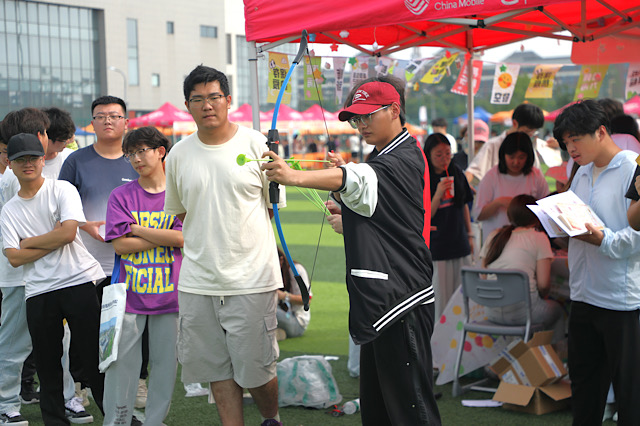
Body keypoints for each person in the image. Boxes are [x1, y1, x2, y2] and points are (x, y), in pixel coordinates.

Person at [261, 77, 441, 425]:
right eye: (356, 118)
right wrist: (352, 220)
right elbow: (389, 214)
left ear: (394, 110)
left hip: (402, 298)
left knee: (411, 411)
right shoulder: (385, 153)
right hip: (384, 298)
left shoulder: (401, 157)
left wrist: (292, 176)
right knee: (378, 408)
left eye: (368, 116)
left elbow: (357, 178)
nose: (361, 125)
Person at [164, 65, 284, 426]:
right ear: (187, 105)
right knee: (215, 370)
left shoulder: (257, 144)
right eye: (198, 99)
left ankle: (271, 418)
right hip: (198, 281)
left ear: (228, 100)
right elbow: (181, 212)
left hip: (251, 279)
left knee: (257, 370)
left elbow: (270, 207)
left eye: (214, 97)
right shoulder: (178, 155)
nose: (207, 105)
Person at [0, 133, 106, 426]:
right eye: (20, 159)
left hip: (78, 280)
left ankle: (115, 417)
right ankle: (55, 421)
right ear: (10, 163)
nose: (28, 164)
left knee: (94, 359)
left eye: (33, 158)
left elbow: (69, 233)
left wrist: (28, 242)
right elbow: (14, 258)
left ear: (43, 159)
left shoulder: (62, 189)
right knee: (47, 367)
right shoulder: (9, 210)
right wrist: (53, 236)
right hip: (38, 290)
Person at [553, 99, 640, 424]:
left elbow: (637, 235)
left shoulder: (631, 169)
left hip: (621, 300)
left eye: (576, 139)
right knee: (585, 389)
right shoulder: (582, 173)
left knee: (630, 393)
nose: (571, 149)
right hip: (583, 294)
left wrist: (603, 240)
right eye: (566, 143)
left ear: (601, 132)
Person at [58, 96, 142, 412]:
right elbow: (61, 207)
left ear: (126, 122)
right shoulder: (76, 161)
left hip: (132, 260)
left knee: (132, 328)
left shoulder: (137, 160)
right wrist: (84, 224)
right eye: (101, 116)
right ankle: (82, 386)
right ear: (91, 123)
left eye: (114, 116)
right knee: (86, 330)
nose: (108, 121)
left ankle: (137, 380)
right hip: (85, 263)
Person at [103, 127, 182, 426]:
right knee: (120, 367)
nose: (136, 159)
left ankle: (154, 421)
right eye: (130, 154)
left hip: (170, 296)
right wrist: (165, 235)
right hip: (128, 296)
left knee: (165, 368)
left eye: (141, 151)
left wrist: (136, 229)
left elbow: (184, 239)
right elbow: (121, 246)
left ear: (160, 152)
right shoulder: (121, 196)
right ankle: (117, 422)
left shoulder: (179, 193)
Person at [479, 195, 565, 342]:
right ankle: (551, 355)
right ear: (537, 217)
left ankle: (517, 352)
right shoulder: (539, 238)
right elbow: (544, 285)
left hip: (491, 311)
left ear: (509, 215)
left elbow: (484, 277)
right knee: (558, 311)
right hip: (524, 313)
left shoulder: (494, 235)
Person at [424, 133, 474, 318]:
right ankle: (439, 334)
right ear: (428, 155)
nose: (444, 159)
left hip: (459, 242)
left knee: (463, 296)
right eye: (438, 155)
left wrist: (470, 234)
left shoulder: (457, 173)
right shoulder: (423, 179)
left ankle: (461, 332)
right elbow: (425, 216)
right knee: (442, 299)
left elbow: (464, 206)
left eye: (447, 153)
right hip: (438, 247)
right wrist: (438, 194)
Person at [474, 131, 549, 244]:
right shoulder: (492, 177)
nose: (516, 162)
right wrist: (499, 202)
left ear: (529, 157)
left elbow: (546, 210)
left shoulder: (536, 176)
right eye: (511, 157)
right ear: (503, 155)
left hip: (527, 242)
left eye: (521, 157)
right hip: (497, 243)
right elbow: (479, 215)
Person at [464, 103, 546, 185]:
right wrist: (462, 188)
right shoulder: (493, 145)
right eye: (527, 131)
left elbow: (538, 179)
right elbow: (473, 171)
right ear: (515, 123)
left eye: (533, 132)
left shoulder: (530, 149)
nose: (530, 135)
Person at [275, 248, 311, 340]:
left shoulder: (296, 270)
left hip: (297, 321)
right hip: (281, 316)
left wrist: (283, 296)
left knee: (268, 312)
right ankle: (277, 333)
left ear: (281, 260)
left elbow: (306, 300)